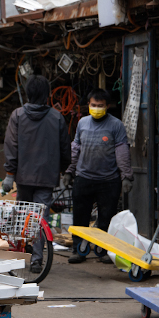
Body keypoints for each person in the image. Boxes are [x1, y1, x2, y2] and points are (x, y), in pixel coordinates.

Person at [2, 75, 69, 272]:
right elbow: (65, 149)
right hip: (47, 177)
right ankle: (37, 259)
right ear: (47, 95)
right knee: (41, 217)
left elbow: (11, 145)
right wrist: (65, 171)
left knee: (23, 215)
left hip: (23, 177)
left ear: (28, 93)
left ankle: (21, 252)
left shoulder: (18, 116)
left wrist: (9, 173)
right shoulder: (57, 117)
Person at [64, 89, 132, 264]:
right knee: (80, 217)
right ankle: (79, 250)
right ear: (88, 105)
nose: (96, 108)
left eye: (100, 106)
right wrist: (69, 171)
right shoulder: (82, 123)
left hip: (109, 180)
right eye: (93, 105)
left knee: (106, 217)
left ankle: (104, 251)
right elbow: (75, 148)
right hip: (83, 178)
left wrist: (126, 176)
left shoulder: (116, 125)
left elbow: (122, 152)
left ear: (107, 106)